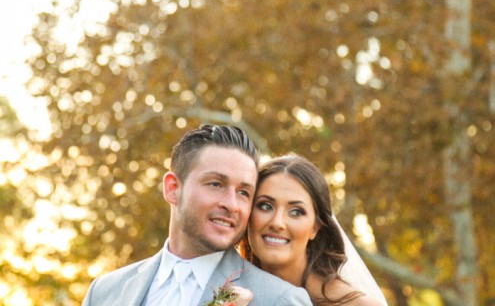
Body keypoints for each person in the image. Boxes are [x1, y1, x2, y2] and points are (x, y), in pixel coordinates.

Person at [82, 125, 311, 306]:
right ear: (173, 188)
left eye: (243, 192)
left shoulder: (280, 300)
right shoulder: (104, 291)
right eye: (216, 184)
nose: (232, 204)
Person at [240, 155, 387, 306]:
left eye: (296, 212)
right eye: (265, 206)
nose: (277, 223)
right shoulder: (231, 289)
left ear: (315, 227)